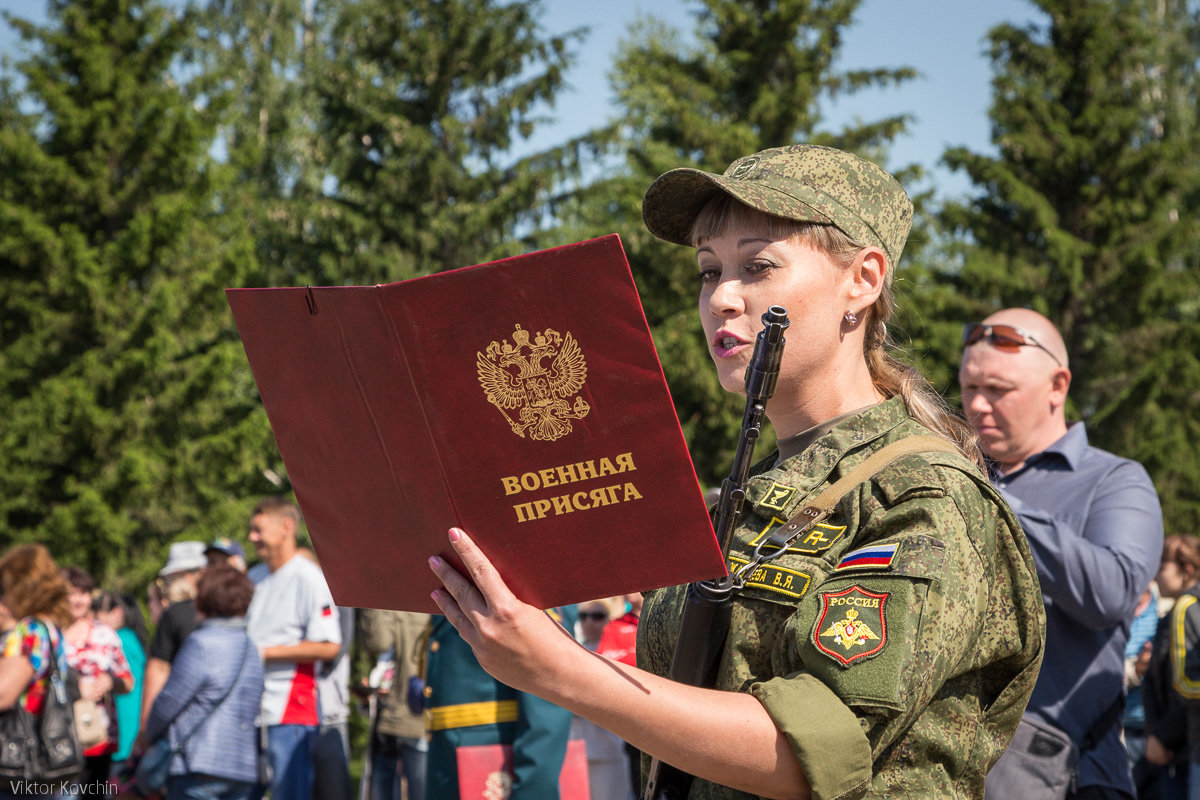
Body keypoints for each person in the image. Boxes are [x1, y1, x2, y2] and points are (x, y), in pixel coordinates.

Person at [427, 144, 1046, 799]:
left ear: (861, 281)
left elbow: (805, 753)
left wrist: (561, 672)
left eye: (757, 266)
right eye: (708, 270)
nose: (722, 297)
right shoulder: (750, 493)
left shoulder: (921, 496)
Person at [959, 307, 1164, 800]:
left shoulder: (1116, 481)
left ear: (1058, 386)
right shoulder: (950, 474)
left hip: (1050, 767)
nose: (979, 406)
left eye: (1000, 390)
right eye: (969, 388)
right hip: (936, 754)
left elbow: (1110, 593)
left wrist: (990, 497)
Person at [424, 605, 579, 800]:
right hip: (451, 763)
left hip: (498, 768)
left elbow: (547, 698)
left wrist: (531, 792)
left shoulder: (529, 577)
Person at [139, 565, 265, 800]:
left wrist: (148, 734)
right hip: (242, 769)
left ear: (204, 600)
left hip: (199, 765)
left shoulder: (201, 643)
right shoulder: (251, 647)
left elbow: (169, 701)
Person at [244, 497, 341, 800]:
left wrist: (265, 653)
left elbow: (330, 645)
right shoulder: (253, 577)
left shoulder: (309, 577)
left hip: (291, 709)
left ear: (286, 527)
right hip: (252, 708)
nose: (252, 538)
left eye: (258, 530)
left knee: (290, 793)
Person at [0, 544, 74, 800]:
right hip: (47, 763)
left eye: (6, 588)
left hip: (22, 766)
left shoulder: (29, 629)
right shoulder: (52, 627)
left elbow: (3, 693)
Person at [61, 566, 133, 793]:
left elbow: (128, 682)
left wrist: (110, 681)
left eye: (82, 593)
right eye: (70, 593)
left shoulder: (105, 634)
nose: (77, 600)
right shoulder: (50, 633)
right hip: (59, 736)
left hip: (98, 735)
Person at [294, 547, 353, 800]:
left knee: (332, 789)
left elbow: (336, 647)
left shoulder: (333, 599)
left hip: (328, 712)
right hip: (297, 713)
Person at [1143, 536, 1200, 799]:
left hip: (1183, 747)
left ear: (1187, 571)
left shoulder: (1187, 608)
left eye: (1163, 566)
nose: (1156, 575)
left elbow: (1186, 684)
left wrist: (1162, 737)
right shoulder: (1179, 611)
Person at [357, 608, 431, 800]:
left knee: (421, 790)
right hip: (388, 717)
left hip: (417, 719)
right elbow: (377, 642)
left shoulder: (426, 603)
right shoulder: (387, 599)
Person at [140, 541, 207, 735]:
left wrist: (145, 728)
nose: (168, 585)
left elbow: (159, 669)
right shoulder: (225, 611)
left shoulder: (176, 614)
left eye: (172, 577)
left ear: (197, 573)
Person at [572, 598, 634, 800]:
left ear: (608, 619)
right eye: (584, 616)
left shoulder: (616, 652)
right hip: (577, 745)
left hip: (611, 747)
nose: (590, 621)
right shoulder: (572, 651)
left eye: (597, 616)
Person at [94, 591, 148, 777]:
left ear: (116, 613)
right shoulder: (130, 637)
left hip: (125, 734)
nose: (94, 618)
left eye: (98, 612)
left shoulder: (120, 640)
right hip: (130, 731)